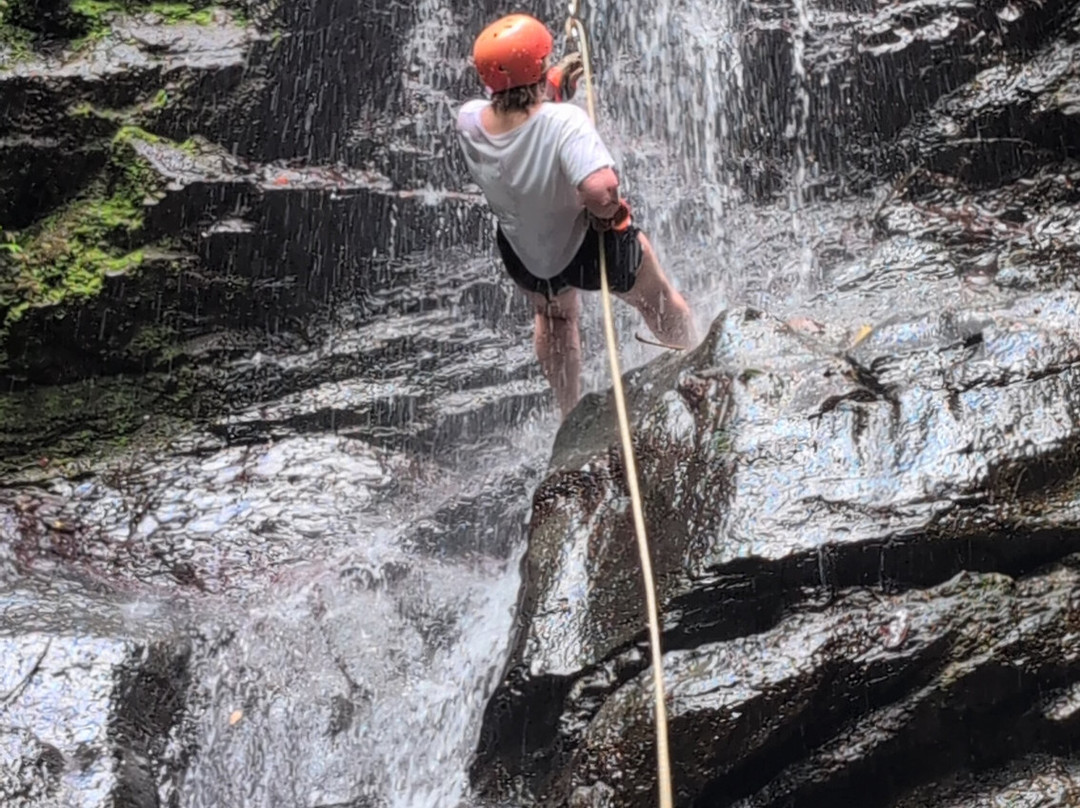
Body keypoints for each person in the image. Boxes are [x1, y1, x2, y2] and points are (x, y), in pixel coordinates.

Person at [455, 13, 696, 419]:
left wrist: (548, 87)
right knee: (656, 300)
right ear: (538, 68)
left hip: (525, 255)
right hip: (584, 249)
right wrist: (611, 213)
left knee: (555, 317)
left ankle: (569, 414)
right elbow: (599, 189)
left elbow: (517, 116)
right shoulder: (565, 123)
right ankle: (697, 366)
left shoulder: (469, 121)